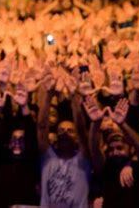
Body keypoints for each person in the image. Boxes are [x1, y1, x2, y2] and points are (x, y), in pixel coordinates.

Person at [85, 96, 139, 208]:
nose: (115, 152)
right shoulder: (107, 166)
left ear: (131, 149)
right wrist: (95, 123)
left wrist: (122, 124)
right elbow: (94, 151)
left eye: (120, 148)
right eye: (111, 149)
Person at [38, 71, 91, 208]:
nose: (65, 133)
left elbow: (81, 130)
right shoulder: (48, 157)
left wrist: (74, 98)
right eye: (61, 130)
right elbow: (42, 127)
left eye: (70, 131)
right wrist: (49, 94)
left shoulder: (83, 159)